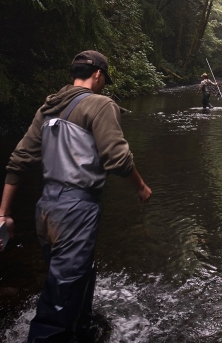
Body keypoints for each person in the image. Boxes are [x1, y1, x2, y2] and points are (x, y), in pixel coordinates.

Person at [0, 50, 152, 343]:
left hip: (45, 210)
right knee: (57, 302)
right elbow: (118, 160)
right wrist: (141, 187)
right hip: (77, 210)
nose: (104, 85)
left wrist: (4, 214)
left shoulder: (48, 108)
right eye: (105, 79)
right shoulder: (100, 104)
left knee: (77, 277)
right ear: (97, 75)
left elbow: (17, 162)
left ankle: (83, 329)